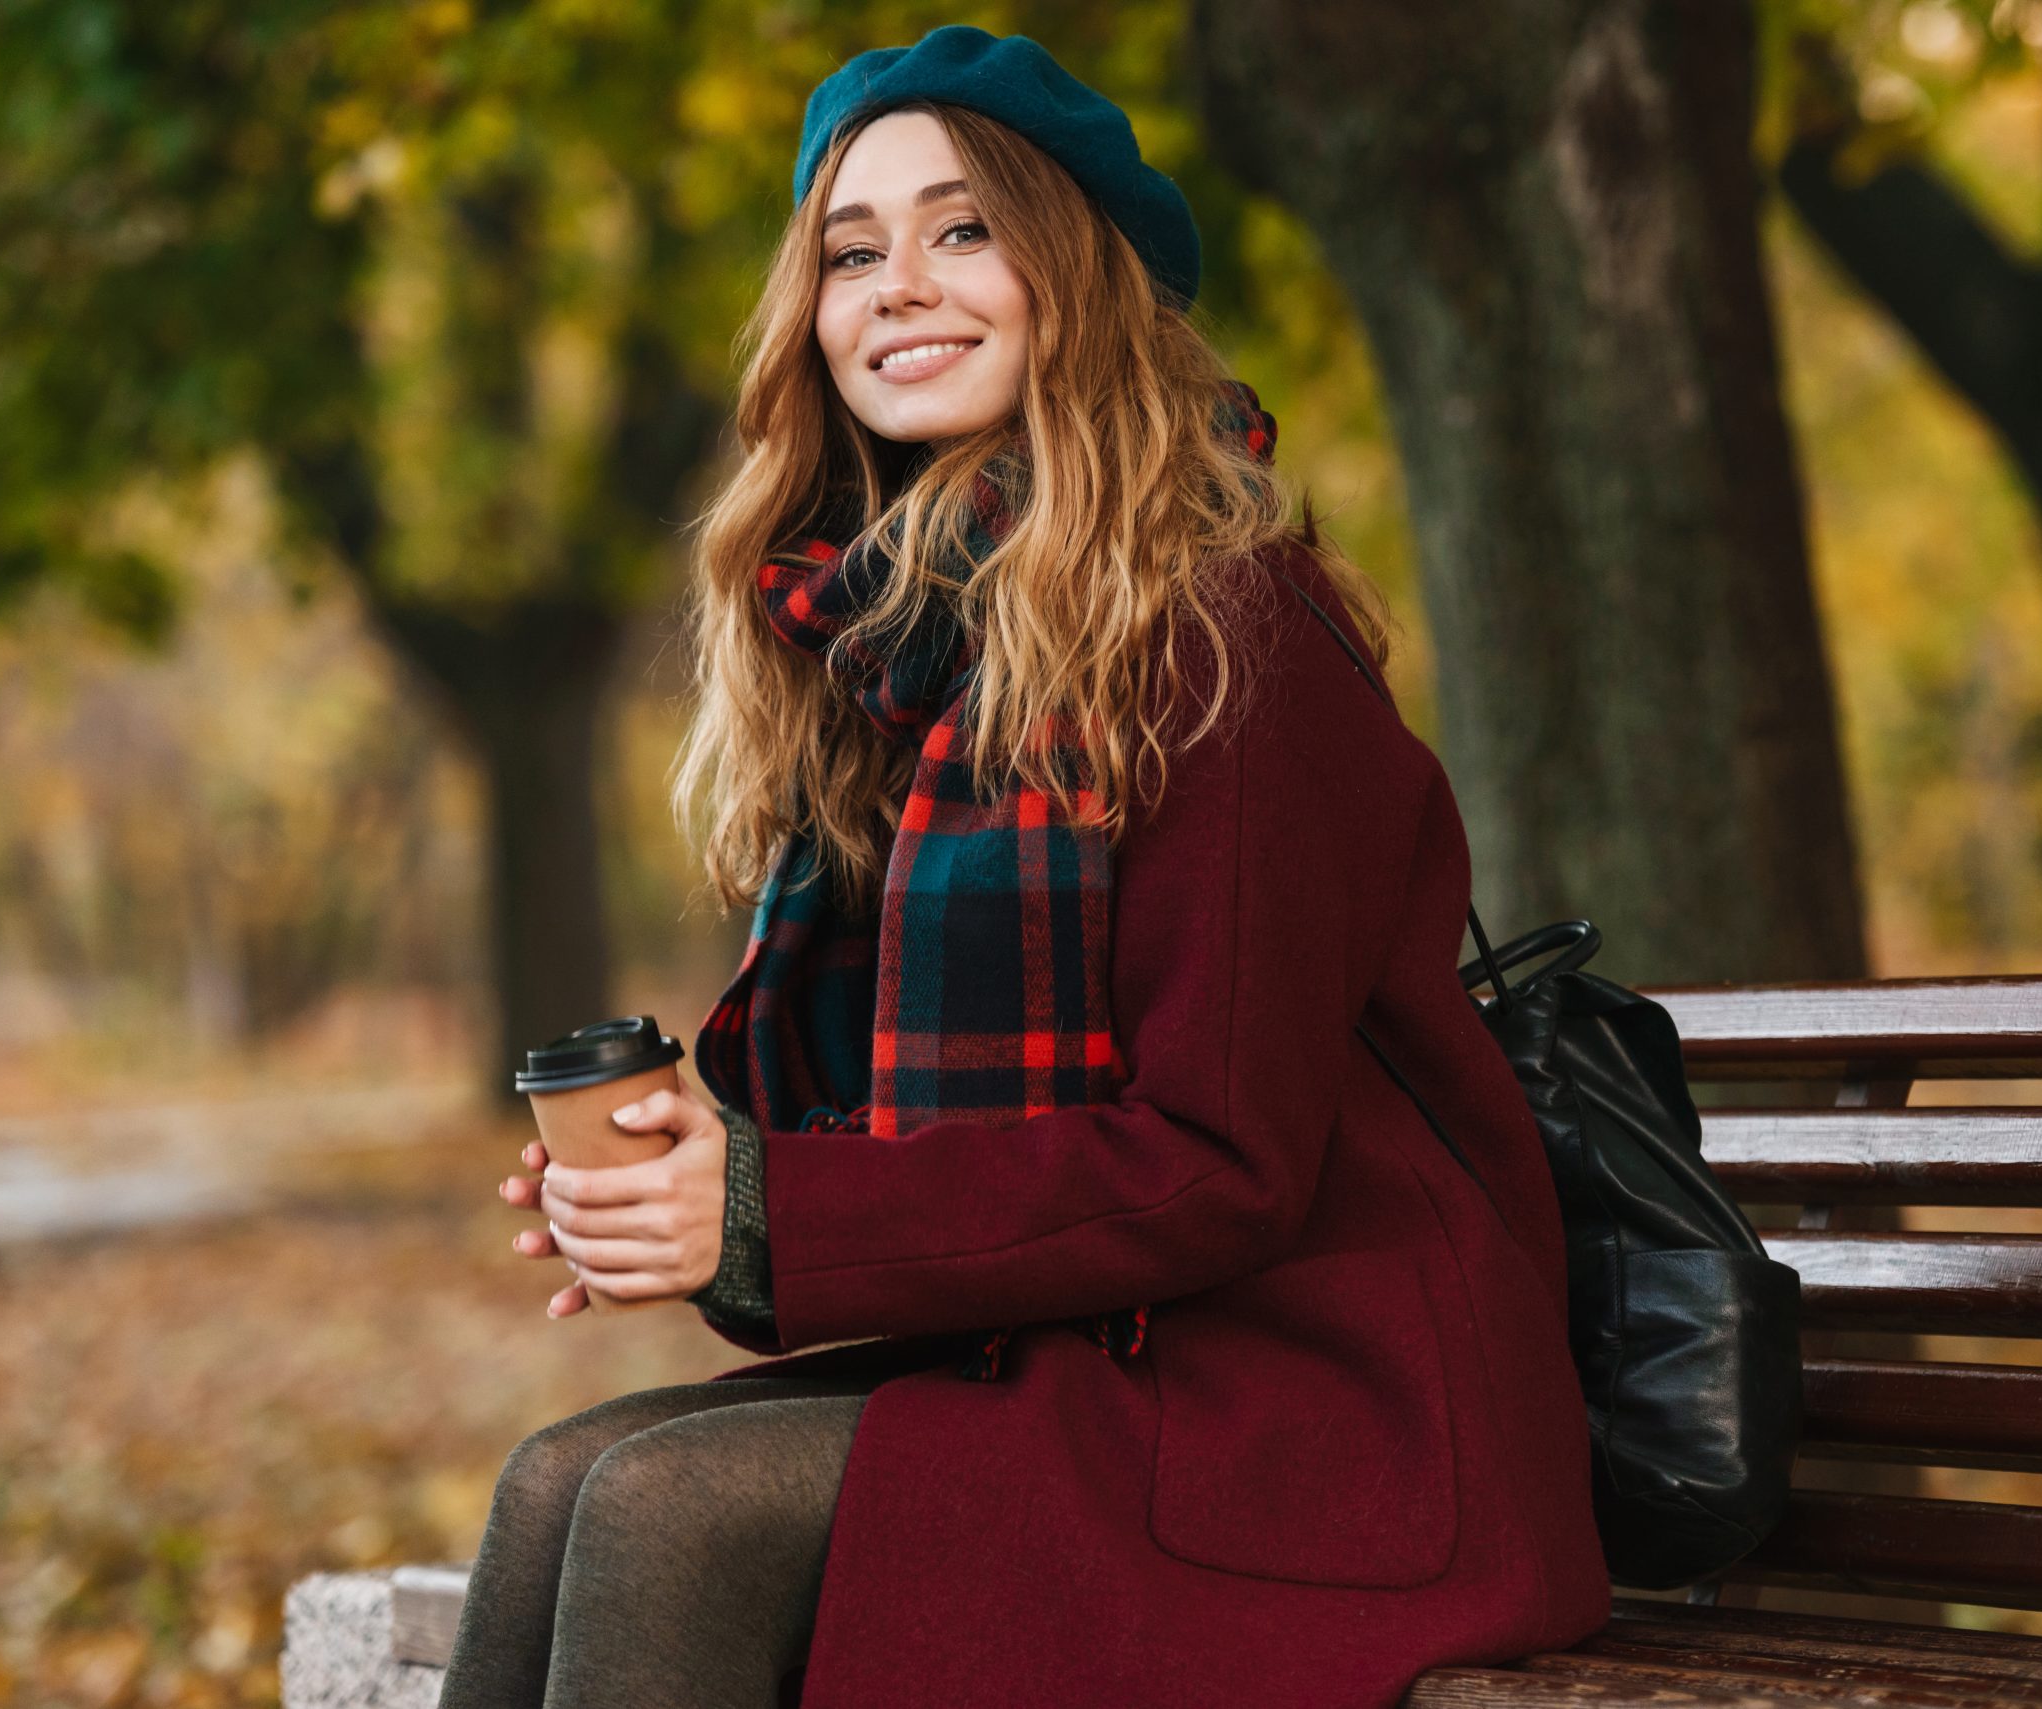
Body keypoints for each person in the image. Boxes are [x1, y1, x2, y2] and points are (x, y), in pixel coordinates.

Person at [439, 24, 1609, 1709]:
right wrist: (685, 1179)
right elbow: (888, 1140)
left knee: (668, 1514)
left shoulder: (1228, 630)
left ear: (1077, 278)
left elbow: (1218, 1161)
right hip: (1097, 1361)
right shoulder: (905, 660)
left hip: (1325, 1416)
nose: (899, 284)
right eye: (853, 250)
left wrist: (767, 1213)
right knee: (561, 1480)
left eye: (964, 229)